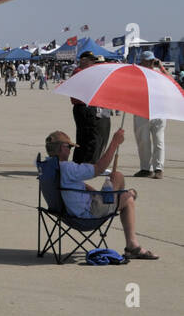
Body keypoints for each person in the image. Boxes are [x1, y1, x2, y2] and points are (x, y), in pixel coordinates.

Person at [46, 129, 156, 259]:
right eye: (69, 147)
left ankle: (120, 197)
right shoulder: (68, 167)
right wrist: (115, 142)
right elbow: (99, 168)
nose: (71, 150)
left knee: (116, 176)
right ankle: (132, 245)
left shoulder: (49, 166)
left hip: (67, 213)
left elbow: (66, 185)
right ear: (60, 148)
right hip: (87, 215)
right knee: (128, 197)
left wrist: (92, 191)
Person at [70, 52, 110, 166]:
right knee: (91, 136)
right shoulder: (81, 72)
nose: (94, 63)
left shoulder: (90, 72)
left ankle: (81, 162)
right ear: (83, 60)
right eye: (91, 60)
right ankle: (89, 164)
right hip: (86, 107)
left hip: (98, 107)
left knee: (92, 135)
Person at [132, 57, 167, 179]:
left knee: (159, 141)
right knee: (143, 141)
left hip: (159, 111)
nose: (151, 63)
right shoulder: (137, 73)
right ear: (142, 61)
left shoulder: (159, 72)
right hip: (141, 110)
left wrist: (161, 67)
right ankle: (145, 168)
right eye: (148, 61)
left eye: (152, 60)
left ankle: (158, 168)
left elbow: (172, 81)